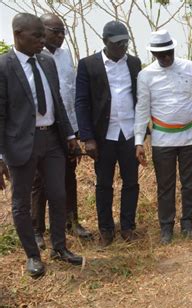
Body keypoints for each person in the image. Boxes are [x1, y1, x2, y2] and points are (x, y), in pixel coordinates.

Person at [0, 13, 83, 278]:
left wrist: (69, 136)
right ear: (18, 35)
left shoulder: (46, 61)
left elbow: (57, 101)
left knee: (58, 195)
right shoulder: (4, 66)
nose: (42, 40)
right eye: (36, 35)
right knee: (21, 203)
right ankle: (33, 256)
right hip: (21, 145)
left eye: (42, 34)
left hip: (52, 141)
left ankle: (59, 247)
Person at [134, 30, 192, 245]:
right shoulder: (146, 75)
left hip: (191, 136)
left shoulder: (189, 67)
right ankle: (166, 228)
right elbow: (142, 108)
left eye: (168, 53)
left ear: (173, 49)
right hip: (162, 139)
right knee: (165, 186)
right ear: (154, 54)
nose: (166, 57)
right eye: (161, 55)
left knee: (189, 183)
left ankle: (187, 224)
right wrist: (139, 140)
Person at [75, 21, 141, 246]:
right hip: (103, 136)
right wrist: (88, 137)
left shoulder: (134, 63)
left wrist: (141, 134)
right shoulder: (88, 65)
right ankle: (106, 229)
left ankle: (128, 226)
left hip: (129, 133)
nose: (122, 47)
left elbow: (139, 98)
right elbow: (81, 102)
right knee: (104, 184)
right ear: (105, 42)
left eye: (125, 42)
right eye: (117, 43)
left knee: (131, 182)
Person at [31, 13, 92, 251]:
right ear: (41, 31)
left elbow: (72, 94)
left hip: (65, 128)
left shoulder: (66, 57)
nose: (60, 36)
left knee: (69, 177)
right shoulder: (35, 57)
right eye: (55, 31)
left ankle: (71, 221)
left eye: (63, 32)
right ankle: (38, 230)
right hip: (41, 129)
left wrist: (75, 132)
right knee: (39, 182)